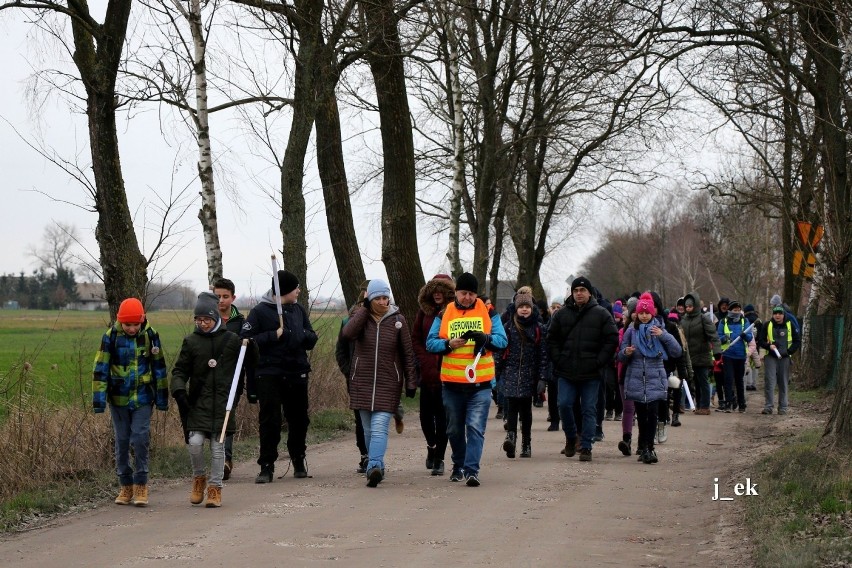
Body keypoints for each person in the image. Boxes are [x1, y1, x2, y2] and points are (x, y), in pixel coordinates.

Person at [171, 292, 258, 507]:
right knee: (195, 443)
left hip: (222, 404)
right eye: (198, 320)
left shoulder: (231, 340)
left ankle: (215, 488)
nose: (202, 324)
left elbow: (251, 360)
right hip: (197, 403)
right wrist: (179, 390)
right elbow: (179, 371)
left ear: (216, 318)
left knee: (218, 448)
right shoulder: (191, 341)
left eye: (206, 320)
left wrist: (252, 345)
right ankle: (199, 478)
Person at [426, 272, 508, 486]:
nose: (467, 298)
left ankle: (471, 470)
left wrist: (486, 339)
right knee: (453, 429)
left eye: (471, 294)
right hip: (452, 385)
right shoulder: (445, 313)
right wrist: (447, 345)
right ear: (456, 292)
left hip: (480, 384)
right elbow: (430, 343)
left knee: (474, 427)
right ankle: (458, 464)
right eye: (463, 293)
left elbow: (502, 341)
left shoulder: (489, 312)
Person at [241, 270, 318, 483]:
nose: (299, 291)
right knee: (270, 421)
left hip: (296, 371)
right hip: (269, 374)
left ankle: (298, 459)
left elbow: (311, 337)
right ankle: (266, 465)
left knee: (299, 419)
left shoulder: (298, 310)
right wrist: (271, 336)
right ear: (284, 291)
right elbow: (245, 340)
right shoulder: (260, 312)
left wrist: (300, 335)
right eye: (295, 288)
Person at [93, 297, 168, 507]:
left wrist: (162, 399)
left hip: (144, 397)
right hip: (118, 400)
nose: (132, 328)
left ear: (142, 320)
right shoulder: (110, 338)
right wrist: (99, 401)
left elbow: (160, 369)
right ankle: (125, 485)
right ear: (120, 322)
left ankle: (141, 484)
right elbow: (100, 369)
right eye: (128, 325)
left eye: (136, 324)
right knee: (123, 440)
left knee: (140, 438)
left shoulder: (152, 337)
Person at [342, 279, 417, 487]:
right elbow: (347, 334)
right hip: (362, 382)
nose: (383, 302)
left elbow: (407, 353)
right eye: (378, 298)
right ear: (370, 299)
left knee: (379, 427)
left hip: (388, 382)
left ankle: (374, 464)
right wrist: (364, 311)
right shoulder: (360, 318)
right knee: (367, 430)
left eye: (385, 297)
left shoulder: (398, 320)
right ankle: (377, 466)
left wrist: (411, 381)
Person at [547, 276, 618, 462]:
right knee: (564, 404)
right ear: (572, 292)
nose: (579, 293)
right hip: (566, 370)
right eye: (576, 290)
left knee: (589, 409)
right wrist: (558, 359)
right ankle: (571, 438)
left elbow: (612, 339)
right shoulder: (561, 314)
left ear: (589, 293)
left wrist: (599, 361)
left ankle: (586, 445)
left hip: (591, 372)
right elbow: (551, 338)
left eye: (582, 290)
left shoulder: (601, 314)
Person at [618, 293, 682, 464]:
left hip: (655, 377)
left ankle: (649, 448)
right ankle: (644, 447)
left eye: (647, 313)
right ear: (637, 314)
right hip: (637, 377)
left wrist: (663, 335)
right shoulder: (631, 330)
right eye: (641, 313)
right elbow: (620, 355)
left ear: (653, 313)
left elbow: (676, 351)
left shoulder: (660, 328)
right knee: (641, 415)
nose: (644, 316)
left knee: (653, 414)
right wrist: (626, 353)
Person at [411, 273, 455, 476]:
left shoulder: (454, 313)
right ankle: (431, 446)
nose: (437, 294)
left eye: (442, 290)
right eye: (434, 290)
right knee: (426, 417)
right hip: (427, 373)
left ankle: (440, 458)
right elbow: (416, 339)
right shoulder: (424, 313)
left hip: (447, 373)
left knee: (443, 417)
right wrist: (425, 361)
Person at [496, 291, 548, 459]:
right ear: (516, 308)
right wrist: (496, 372)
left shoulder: (538, 329)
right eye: (521, 307)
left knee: (526, 410)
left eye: (527, 307)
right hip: (510, 371)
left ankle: (526, 443)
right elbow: (500, 351)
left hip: (529, 373)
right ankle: (511, 438)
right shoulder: (508, 327)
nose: (524, 310)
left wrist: (542, 377)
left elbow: (543, 355)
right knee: (511, 407)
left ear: (532, 309)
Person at [212, 278, 248, 480]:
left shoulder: (240, 323)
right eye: (217, 296)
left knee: (227, 417)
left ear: (233, 298)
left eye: (225, 296)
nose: (221, 300)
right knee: (213, 418)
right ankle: (215, 459)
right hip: (210, 378)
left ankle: (226, 460)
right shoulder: (207, 319)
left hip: (232, 378)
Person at [335, 280, 371, 473]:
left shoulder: (385, 318)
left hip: (378, 377)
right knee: (360, 418)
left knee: (376, 419)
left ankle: (375, 456)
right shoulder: (348, 320)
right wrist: (348, 371)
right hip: (355, 378)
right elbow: (340, 350)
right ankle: (364, 455)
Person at [679, 291, 721, 415]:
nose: (688, 309)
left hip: (702, 355)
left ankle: (705, 406)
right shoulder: (684, 320)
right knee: (694, 382)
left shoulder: (704, 319)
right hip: (689, 356)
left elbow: (713, 335)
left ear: (695, 306)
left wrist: (717, 351)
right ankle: (697, 405)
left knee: (703, 381)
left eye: (690, 306)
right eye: (686, 307)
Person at [757, 305, 801, 415]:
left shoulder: (790, 325)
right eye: (775, 313)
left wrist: (789, 351)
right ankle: (768, 406)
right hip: (771, 357)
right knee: (770, 382)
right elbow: (761, 340)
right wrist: (768, 346)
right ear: (773, 314)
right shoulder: (767, 325)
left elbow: (797, 341)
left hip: (785, 357)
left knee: (783, 382)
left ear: (783, 315)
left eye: (780, 313)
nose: (777, 315)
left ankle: (783, 407)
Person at [717, 301, 753, 413]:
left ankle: (742, 403)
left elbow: (749, 336)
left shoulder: (744, 321)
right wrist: (725, 338)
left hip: (740, 355)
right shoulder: (724, 321)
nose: (736, 312)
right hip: (728, 354)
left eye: (738, 310)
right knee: (728, 379)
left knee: (739, 380)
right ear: (730, 311)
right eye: (734, 310)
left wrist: (744, 335)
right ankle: (728, 403)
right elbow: (719, 336)